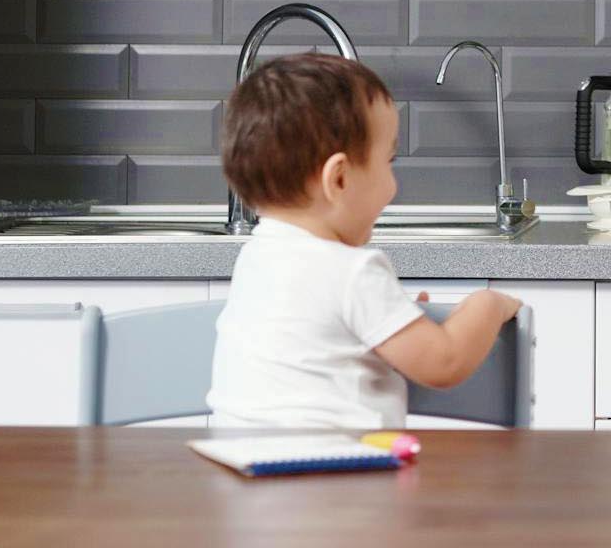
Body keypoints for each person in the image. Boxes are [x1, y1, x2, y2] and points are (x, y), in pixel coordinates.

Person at [208, 53, 522, 428]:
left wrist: (394, 318)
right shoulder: (353, 272)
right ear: (339, 179)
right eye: (388, 161)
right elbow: (445, 363)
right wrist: (488, 304)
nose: (393, 186)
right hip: (334, 475)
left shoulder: (256, 259)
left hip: (244, 469)